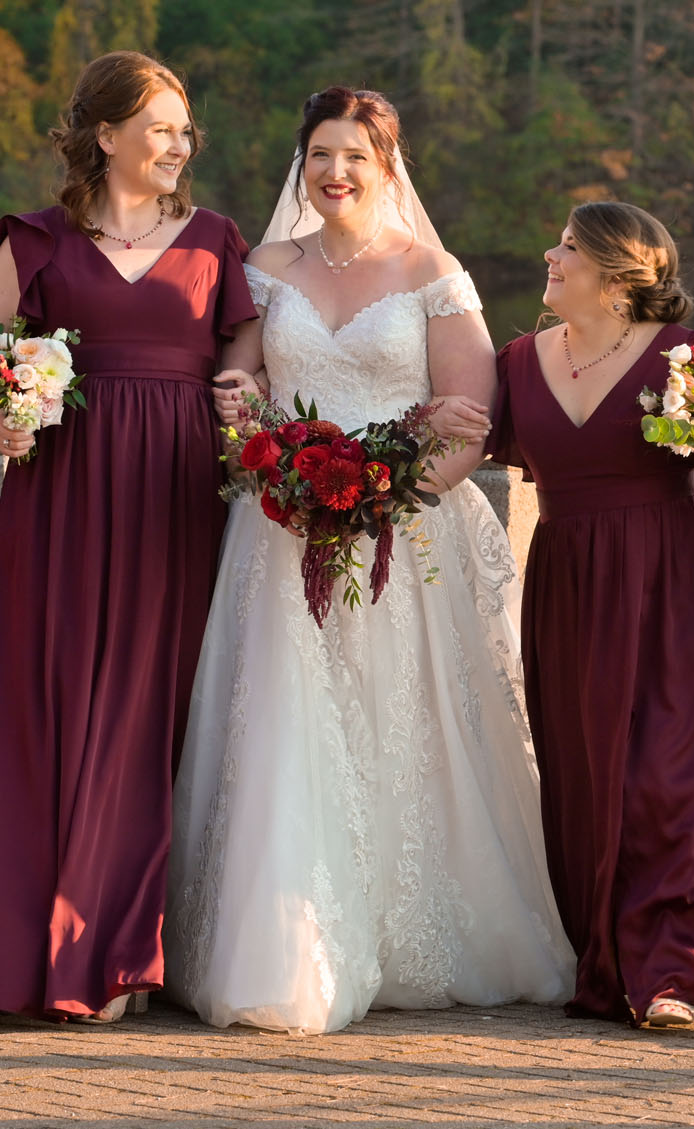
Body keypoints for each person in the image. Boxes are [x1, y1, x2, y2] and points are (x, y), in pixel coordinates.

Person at [165, 86, 574, 1035]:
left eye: (354, 155)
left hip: (402, 531)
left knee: (404, 728)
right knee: (283, 726)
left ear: (388, 166)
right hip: (281, 529)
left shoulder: (431, 272)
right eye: (318, 155)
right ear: (299, 166)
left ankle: (414, 933)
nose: (335, 172)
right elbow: (246, 384)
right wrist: (245, 411)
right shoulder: (263, 267)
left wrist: (382, 493)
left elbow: (468, 425)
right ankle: (278, 948)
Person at [0, 51, 262, 1023]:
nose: (179, 144)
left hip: (177, 492)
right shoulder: (33, 241)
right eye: (160, 127)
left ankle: (120, 948)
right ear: (107, 136)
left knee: (148, 705)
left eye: (185, 129)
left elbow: (241, 346)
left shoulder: (214, 240)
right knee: (51, 701)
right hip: (62, 489)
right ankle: (23, 950)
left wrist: (240, 403)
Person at [487, 201, 694, 1029]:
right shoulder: (515, 361)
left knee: (673, 772)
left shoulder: (686, 359)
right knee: (588, 773)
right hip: (569, 585)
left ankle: (672, 969)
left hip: (671, 578)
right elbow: (461, 437)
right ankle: (608, 955)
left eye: (570, 247)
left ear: (620, 281)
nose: (550, 254)